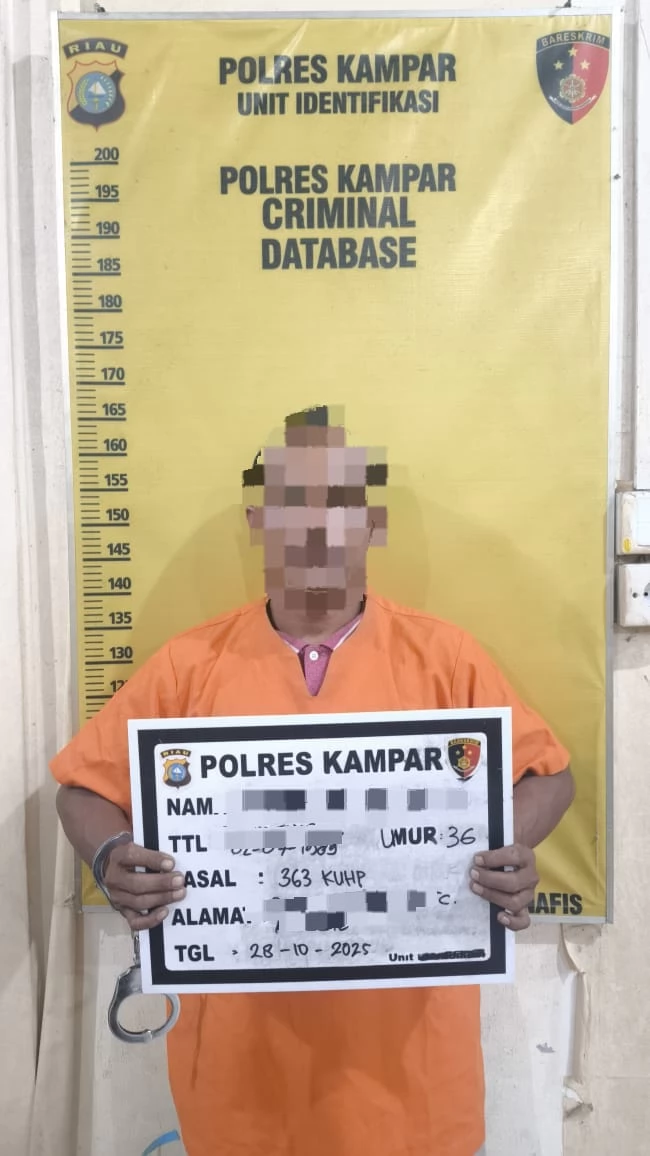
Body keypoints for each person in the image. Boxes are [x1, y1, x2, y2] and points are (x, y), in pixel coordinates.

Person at [52, 405, 574, 1156]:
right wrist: (112, 859)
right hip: (239, 1081)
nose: (317, 524)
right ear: (259, 522)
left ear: (372, 524)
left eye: (341, 501)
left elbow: (549, 775)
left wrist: (503, 849)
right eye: (293, 501)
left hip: (413, 1084)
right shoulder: (188, 668)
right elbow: (83, 789)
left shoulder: (445, 660)